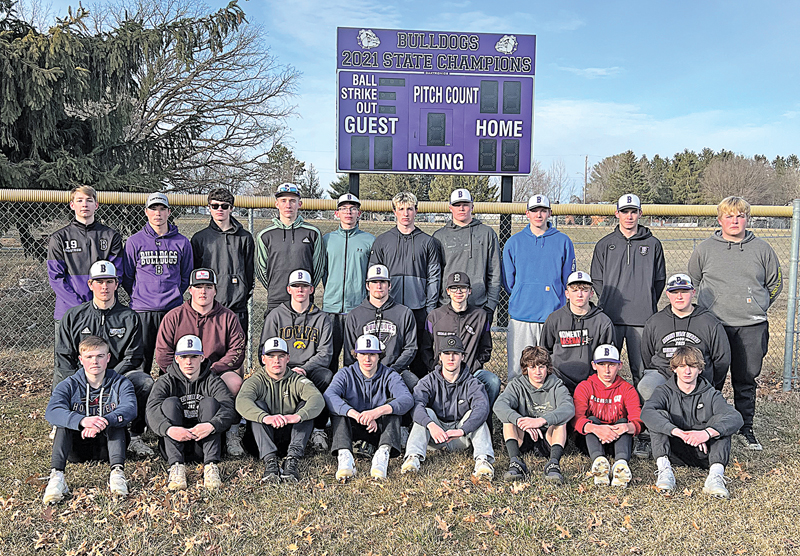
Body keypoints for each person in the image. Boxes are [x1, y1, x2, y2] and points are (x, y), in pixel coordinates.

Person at [688, 196, 783, 451]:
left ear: (747, 219)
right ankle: (710, 424)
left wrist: (758, 306)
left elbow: (775, 285)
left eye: (740, 216)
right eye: (729, 216)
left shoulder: (762, 249)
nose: (734, 221)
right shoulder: (705, 249)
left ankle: (746, 427)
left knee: (746, 378)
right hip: (714, 326)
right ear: (720, 220)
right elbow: (693, 282)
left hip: (751, 326)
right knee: (710, 377)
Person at [55, 260, 153, 457]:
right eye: (99, 282)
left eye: (109, 281)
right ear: (90, 284)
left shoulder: (129, 317)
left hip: (117, 377)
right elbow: (64, 356)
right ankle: (67, 425)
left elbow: (133, 357)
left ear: (117, 284)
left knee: (144, 382)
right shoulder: (74, 316)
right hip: (83, 377)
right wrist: (82, 381)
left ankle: (134, 435)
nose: (104, 287)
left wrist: (108, 379)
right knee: (60, 380)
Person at [155, 268, 246, 456]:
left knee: (235, 382)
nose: (203, 291)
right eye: (198, 287)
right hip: (182, 373)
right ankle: (172, 431)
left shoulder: (228, 317)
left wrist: (212, 369)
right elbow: (163, 354)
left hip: (214, 372)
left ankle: (231, 432)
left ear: (215, 290)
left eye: (208, 287)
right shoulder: (174, 316)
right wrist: (185, 372)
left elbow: (237, 351)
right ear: (190, 290)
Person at [43, 336, 137, 504]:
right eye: (89, 357)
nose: (95, 361)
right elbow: (52, 411)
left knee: (116, 421)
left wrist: (104, 421)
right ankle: (57, 477)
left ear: (108, 358)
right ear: (81, 360)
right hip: (78, 447)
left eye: (100, 356)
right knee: (63, 424)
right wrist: (82, 421)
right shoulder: (68, 384)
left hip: (109, 446)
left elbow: (130, 408)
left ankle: (117, 474)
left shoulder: (121, 382)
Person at [641, 346, 744, 499]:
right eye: (682, 366)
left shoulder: (711, 393)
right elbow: (646, 413)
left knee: (721, 423)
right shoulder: (663, 391)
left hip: (704, 453)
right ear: (674, 369)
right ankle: (665, 472)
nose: (687, 371)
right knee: (658, 416)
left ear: (700, 369)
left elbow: (736, 418)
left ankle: (715, 478)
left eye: (692, 366)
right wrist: (678, 432)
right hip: (673, 450)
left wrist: (706, 433)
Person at [590, 193, 666, 388]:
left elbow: (659, 281)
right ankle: (609, 412)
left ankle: (642, 415)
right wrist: (608, 300)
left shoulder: (653, 244)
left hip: (642, 319)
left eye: (633, 212)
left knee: (642, 372)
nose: (629, 216)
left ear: (640, 213)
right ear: (617, 214)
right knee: (607, 370)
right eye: (625, 212)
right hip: (611, 317)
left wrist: (645, 300)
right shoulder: (605, 244)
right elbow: (597, 279)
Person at [145, 335, 237, 491]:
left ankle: (211, 466)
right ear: (176, 358)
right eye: (184, 357)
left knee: (210, 403)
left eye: (194, 356)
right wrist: (169, 429)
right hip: (174, 443)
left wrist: (212, 426)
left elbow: (228, 407)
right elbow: (151, 409)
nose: (188, 362)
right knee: (169, 403)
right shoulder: (166, 381)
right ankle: (176, 467)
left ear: (202, 357)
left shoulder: (212, 380)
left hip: (204, 443)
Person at [502, 194, 575, 381]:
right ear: (527, 213)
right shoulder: (514, 242)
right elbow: (508, 282)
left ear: (550, 213)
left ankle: (549, 407)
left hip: (552, 316)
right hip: (521, 315)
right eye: (534, 210)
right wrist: (523, 293)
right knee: (518, 370)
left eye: (543, 210)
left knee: (551, 369)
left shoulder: (563, 241)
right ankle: (516, 408)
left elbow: (568, 281)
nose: (539, 215)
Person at [401, 336, 494, 480]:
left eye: (456, 353)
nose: (451, 358)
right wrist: (431, 425)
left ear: (462, 357)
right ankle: (412, 458)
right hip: (435, 436)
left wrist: (462, 430)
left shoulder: (472, 383)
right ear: (440, 357)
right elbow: (416, 405)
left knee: (475, 414)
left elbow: (482, 408)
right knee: (426, 413)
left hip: (460, 436)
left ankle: (483, 462)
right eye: (446, 353)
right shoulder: (428, 381)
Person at [369, 191, 440, 378]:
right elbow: (372, 276)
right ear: (394, 212)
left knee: (417, 355)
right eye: (401, 209)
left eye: (409, 209)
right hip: (390, 308)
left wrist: (429, 308)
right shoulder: (382, 241)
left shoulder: (428, 241)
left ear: (416, 211)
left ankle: (419, 396)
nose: (406, 213)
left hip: (418, 308)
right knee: (389, 353)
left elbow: (434, 277)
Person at [260, 269, 333, 452]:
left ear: (311, 289)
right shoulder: (276, 316)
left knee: (326, 376)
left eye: (304, 286)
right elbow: (265, 349)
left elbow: (325, 353)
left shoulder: (322, 318)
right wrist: (286, 370)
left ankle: (318, 428)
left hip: (310, 369)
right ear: (289, 289)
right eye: (296, 286)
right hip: (283, 367)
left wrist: (305, 369)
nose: (300, 290)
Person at [324, 334, 414, 481]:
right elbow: (329, 396)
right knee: (339, 407)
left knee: (393, 405)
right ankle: (344, 455)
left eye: (372, 354)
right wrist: (355, 414)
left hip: (379, 428)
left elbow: (406, 399)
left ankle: (383, 453)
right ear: (356, 355)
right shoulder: (345, 373)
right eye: (363, 354)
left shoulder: (389, 374)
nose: (367, 359)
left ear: (379, 356)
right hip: (353, 426)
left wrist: (376, 412)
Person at [236, 337, 325, 483]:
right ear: (263, 359)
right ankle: (270, 462)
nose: (276, 361)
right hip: (261, 439)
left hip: (289, 436)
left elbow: (317, 399)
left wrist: (297, 416)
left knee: (305, 407)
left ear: (288, 358)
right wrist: (265, 417)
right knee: (257, 405)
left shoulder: (297, 379)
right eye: (271, 356)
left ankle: (292, 460)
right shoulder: (256, 380)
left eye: (281, 356)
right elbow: (241, 401)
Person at [122, 192, 193, 375]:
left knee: (169, 360)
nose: (158, 213)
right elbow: (128, 276)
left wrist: (174, 294)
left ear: (169, 212)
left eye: (162, 209)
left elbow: (186, 276)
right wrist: (141, 295)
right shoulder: (134, 241)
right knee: (141, 359)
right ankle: (140, 399)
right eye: (153, 209)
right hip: (142, 310)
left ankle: (166, 398)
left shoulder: (182, 242)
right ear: (146, 211)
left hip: (171, 309)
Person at [420, 272, 500, 421]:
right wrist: (434, 367)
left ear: (469, 291)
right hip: (442, 375)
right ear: (448, 292)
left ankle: (482, 421)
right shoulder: (435, 316)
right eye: (454, 288)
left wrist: (475, 365)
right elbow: (425, 348)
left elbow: (486, 348)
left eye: (462, 288)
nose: (458, 292)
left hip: (470, 374)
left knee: (493, 381)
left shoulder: (480, 316)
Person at [640, 273, 731, 398]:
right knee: (647, 386)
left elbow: (721, 360)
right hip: (664, 375)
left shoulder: (709, 322)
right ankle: (659, 416)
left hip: (696, 375)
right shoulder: (655, 322)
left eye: (684, 291)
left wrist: (712, 382)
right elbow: (647, 355)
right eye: (674, 292)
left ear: (693, 293)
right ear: (667, 294)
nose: (679, 297)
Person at [494, 346, 574, 483]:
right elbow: (499, 406)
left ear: (547, 368)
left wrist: (541, 421)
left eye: (541, 367)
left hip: (548, 438)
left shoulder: (556, 385)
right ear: (526, 369)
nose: (537, 372)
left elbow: (568, 408)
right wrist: (520, 420)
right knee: (508, 419)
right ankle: (515, 461)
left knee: (561, 422)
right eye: (532, 367)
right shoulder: (517, 384)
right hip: (524, 435)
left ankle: (554, 464)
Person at [47, 185, 123, 323]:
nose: (84, 204)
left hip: (104, 311)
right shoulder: (59, 238)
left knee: (103, 345)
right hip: (69, 312)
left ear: (96, 205)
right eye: (79, 200)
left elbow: (117, 274)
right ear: (72, 205)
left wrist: (97, 304)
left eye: (89, 200)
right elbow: (56, 278)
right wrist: (79, 306)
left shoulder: (111, 236)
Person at [573, 345, 642, 488]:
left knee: (624, 422)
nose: (607, 370)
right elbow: (577, 418)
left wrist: (627, 427)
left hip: (617, 438)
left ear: (620, 366)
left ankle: (621, 465)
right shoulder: (585, 386)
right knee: (591, 420)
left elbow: (638, 418)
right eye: (602, 364)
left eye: (612, 364)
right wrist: (596, 429)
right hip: (592, 439)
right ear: (594, 365)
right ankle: (599, 463)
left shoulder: (627, 388)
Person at [191, 187, 255, 339]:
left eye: (224, 206)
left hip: (237, 308)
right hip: (208, 308)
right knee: (208, 355)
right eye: (215, 206)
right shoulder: (199, 239)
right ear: (209, 208)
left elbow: (249, 271)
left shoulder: (245, 238)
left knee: (236, 355)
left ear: (231, 208)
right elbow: (194, 274)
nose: (220, 209)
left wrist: (242, 293)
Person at [343, 264, 419, 392]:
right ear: (367, 285)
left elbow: (410, 348)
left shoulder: (404, 313)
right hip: (364, 372)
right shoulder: (354, 315)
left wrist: (393, 369)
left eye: (383, 282)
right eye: (374, 282)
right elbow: (350, 352)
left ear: (389, 285)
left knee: (416, 386)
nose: (379, 286)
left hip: (395, 371)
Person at [322, 193, 375, 374]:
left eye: (352, 208)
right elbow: (323, 272)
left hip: (357, 308)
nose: (348, 212)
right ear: (337, 213)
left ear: (359, 213)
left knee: (354, 357)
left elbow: (371, 275)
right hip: (331, 308)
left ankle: (353, 395)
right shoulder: (327, 240)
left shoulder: (369, 240)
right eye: (344, 208)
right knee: (329, 356)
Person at [539, 270, 615, 394]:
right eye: (574, 290)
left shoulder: (603, 322)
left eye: (584, 290)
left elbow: (607, 359)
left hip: (590, 382)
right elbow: (544, 352)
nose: (579, 295)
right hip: (558, 380)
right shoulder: (554, 319)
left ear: (591, 293)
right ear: (567, 294)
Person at [255, 183, 325, 314]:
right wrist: (274, 287)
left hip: (303, 300)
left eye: (293, 201)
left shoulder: (313, 232)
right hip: (276, 299)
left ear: (300, 204)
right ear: (277, 204)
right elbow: (261, 269)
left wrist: (305, 288)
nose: (288, 205)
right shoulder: (265, 235)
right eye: (283, 201)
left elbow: (318, 268)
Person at [432, 188, 501, 313]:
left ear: (472, 206)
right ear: (450, 208)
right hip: (447, 305)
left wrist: (490, 306)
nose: (461, 208)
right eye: (457, 205)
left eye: (465, 205)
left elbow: (494, 273)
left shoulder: (487, 233)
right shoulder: (439, 236)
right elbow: (434, 275)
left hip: (479, 306)